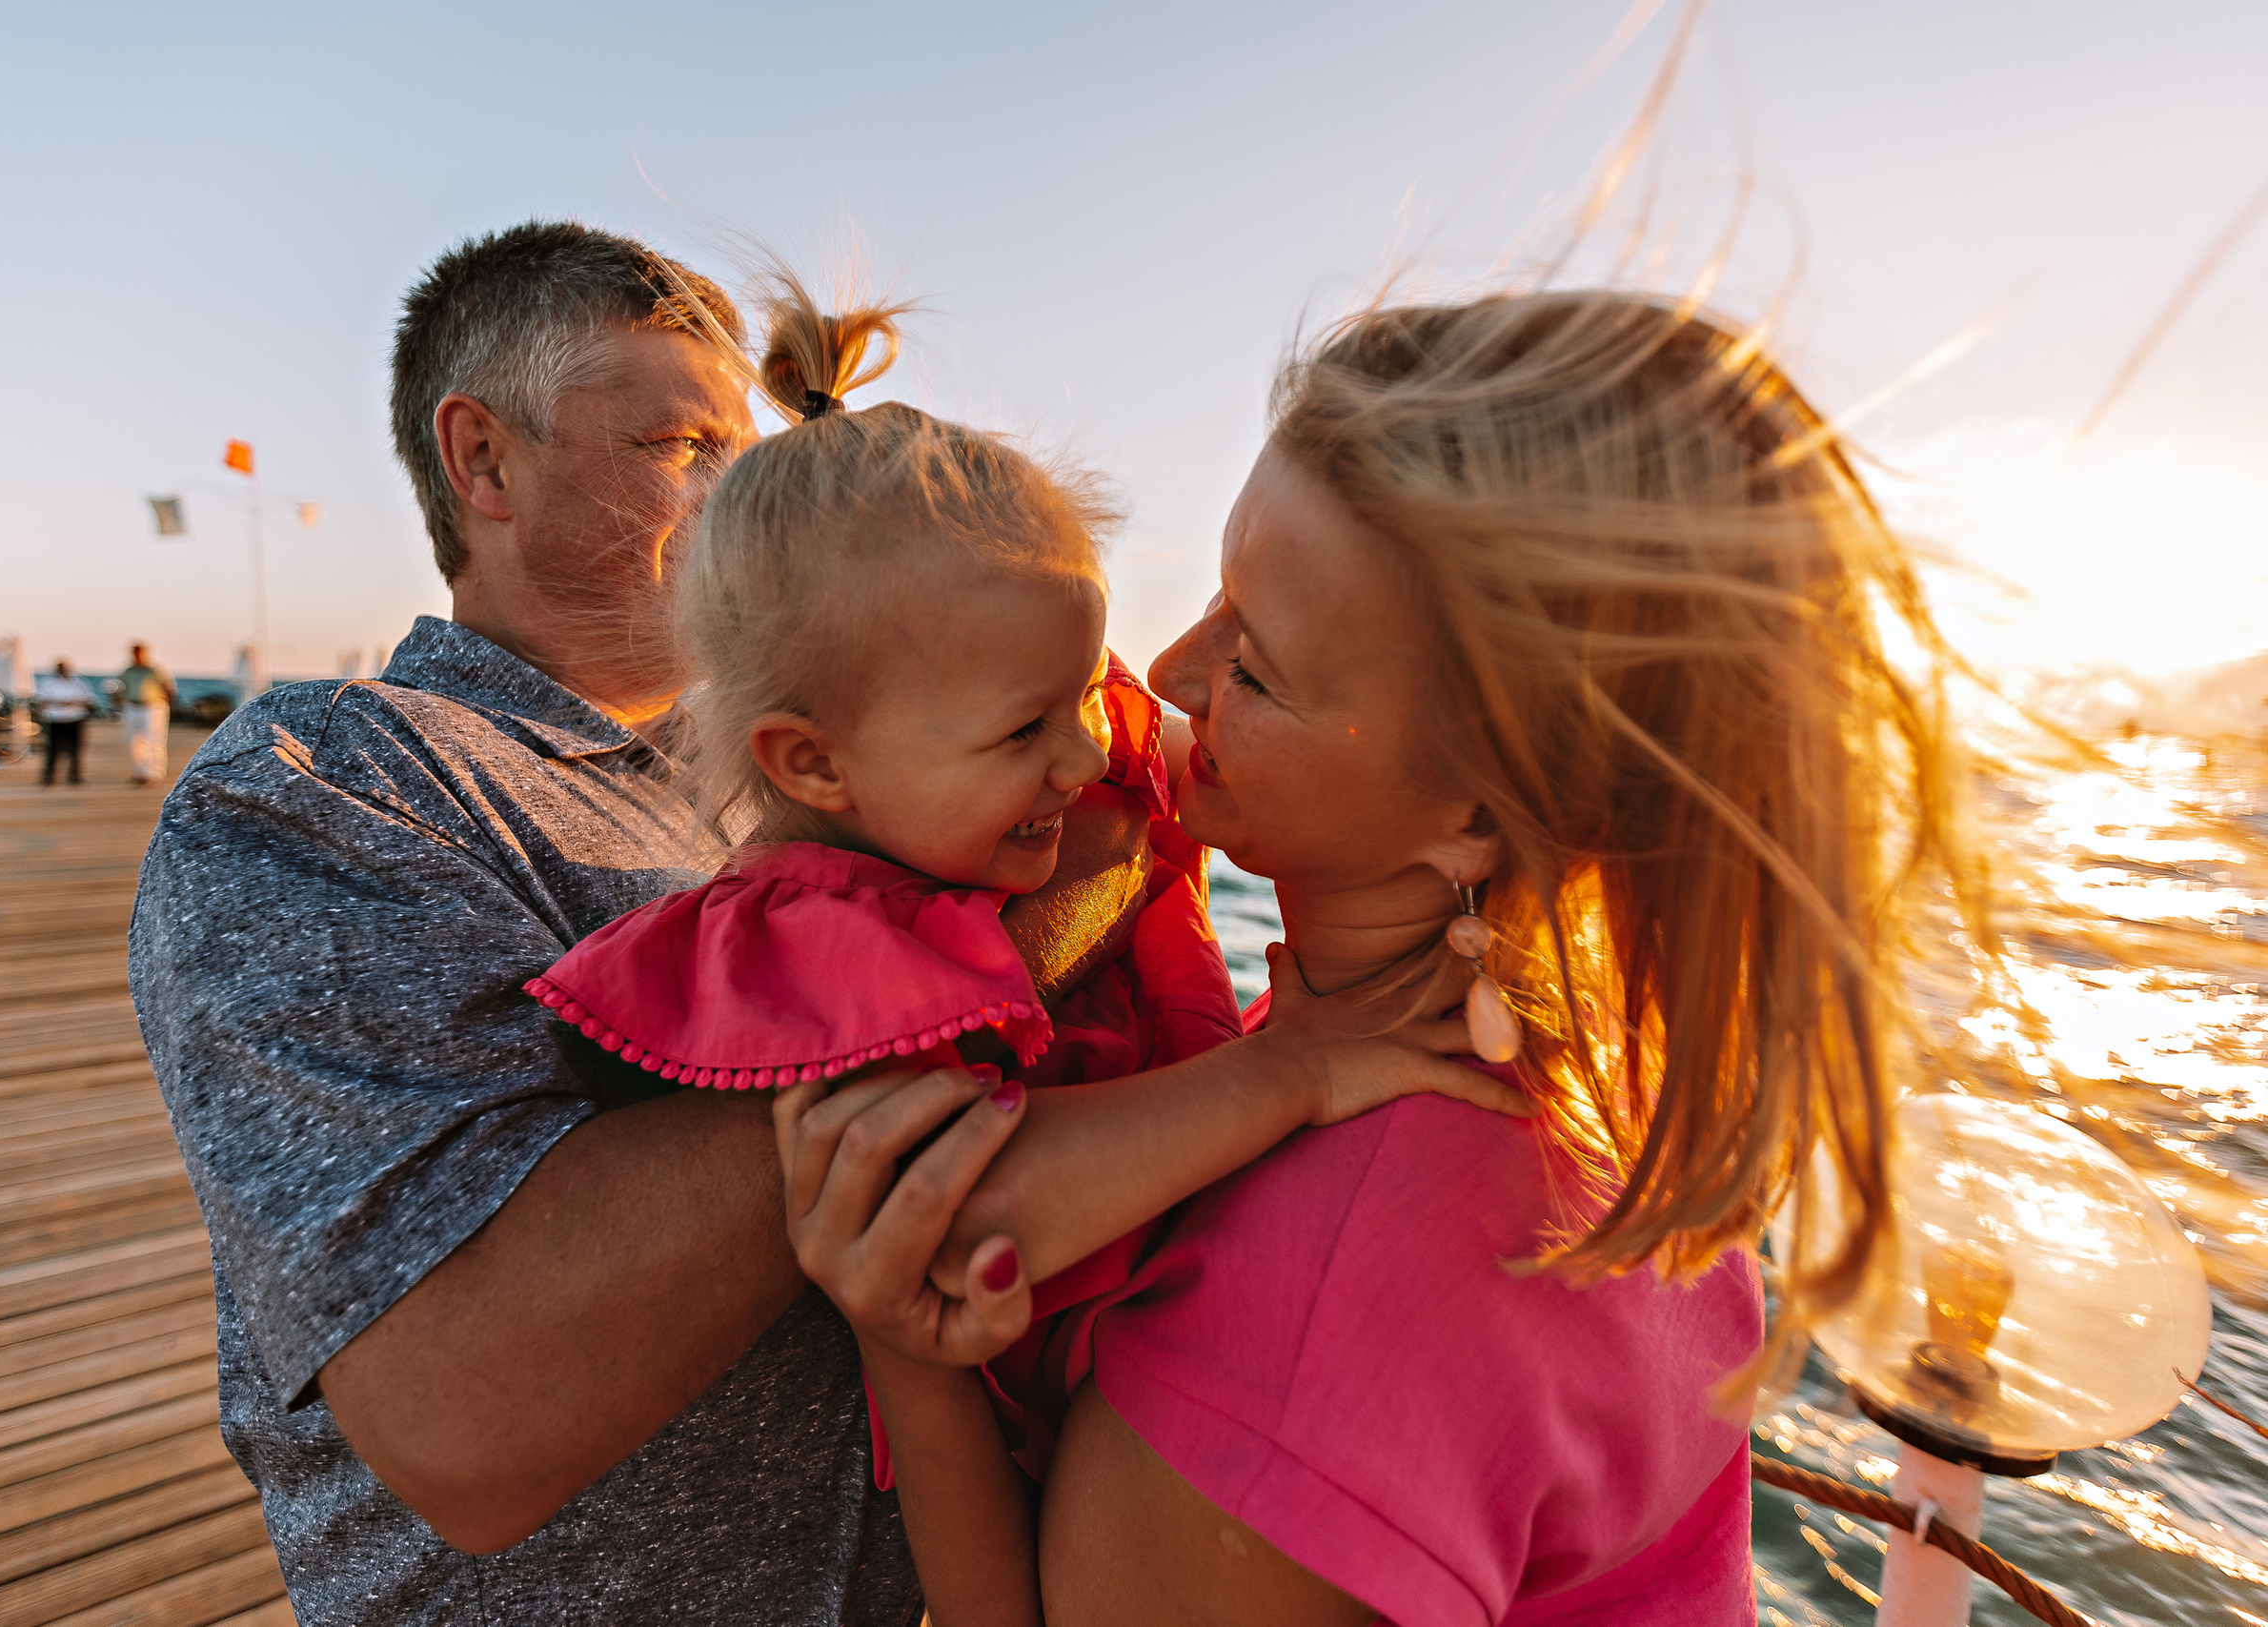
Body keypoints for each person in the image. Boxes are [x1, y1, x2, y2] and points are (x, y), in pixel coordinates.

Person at [129, 223, 1505, 1626]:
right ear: (483, 461)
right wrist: (1049, 933)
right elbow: (466, 1414)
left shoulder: (891, 765)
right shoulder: (334, 785)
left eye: (755, 441)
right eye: (686, 444)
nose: (751, 485)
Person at [780, 291, 1981, 1625]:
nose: (1175, 671)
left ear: (1490, 802)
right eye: (1217, 594)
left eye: (1263, 664)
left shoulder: (1314, 1313)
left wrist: (909, 1352)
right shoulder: (1598, 1076)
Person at [528, 281, 1524, 1493]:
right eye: (1024, 731)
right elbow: (965, 1204)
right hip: (1051, 1418)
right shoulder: (821, 945)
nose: (1095, 747)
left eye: (1082, 695)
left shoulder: (1026, 755)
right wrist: (1296, 1068)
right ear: (815, 763)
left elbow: (1215, 755)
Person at [119, 641, 177, 784]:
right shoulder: (128, 671)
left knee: (154, 739)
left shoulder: (155, 670)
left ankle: (155, 773)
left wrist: (169, 704)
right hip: (132, 706)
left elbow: (168, 688)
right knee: (134, 741)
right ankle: (140, 772)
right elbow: (120, 687)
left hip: (153, 706)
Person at [33, 659, 90, 785]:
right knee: (52, 750)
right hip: (55, 720)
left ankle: (75, 775)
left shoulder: (78, 683)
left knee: (76, 749)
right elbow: (40, 701)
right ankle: (49, 776)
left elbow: (87, 700)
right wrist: (61, 703)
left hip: (75, 719)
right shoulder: (48, 683)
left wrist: (70, 703)